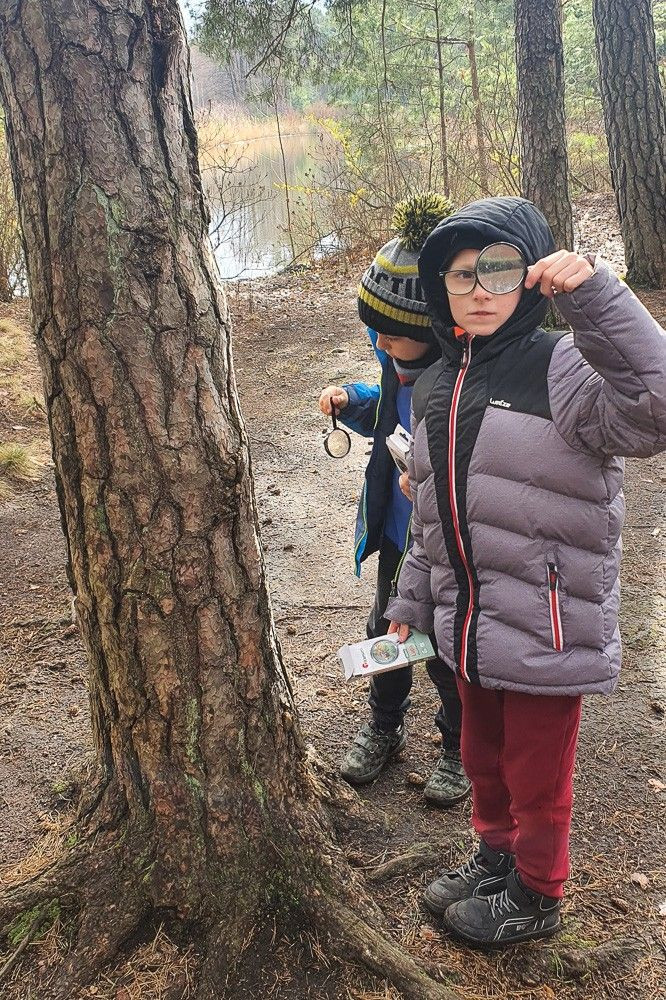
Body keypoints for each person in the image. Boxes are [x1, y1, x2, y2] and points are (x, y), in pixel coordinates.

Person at [386, 195, 666, 946]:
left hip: (546, 627)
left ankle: (538, 894)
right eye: (461, 275)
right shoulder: (436, 384)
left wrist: (596, 297)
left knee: (538, 776)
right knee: (482, 758)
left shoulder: (565, 367)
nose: (479, 291)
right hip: (470, 626)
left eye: (500, 271)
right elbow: (431, 514)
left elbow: (658, 403)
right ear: (439, 287)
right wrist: (411, 601)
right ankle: (496, 858)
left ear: (532, 278)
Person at [319, 194, 471, 806]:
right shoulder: (394, 363)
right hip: (396, 535)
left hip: (447, 545)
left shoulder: (461, 384)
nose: (378, 341)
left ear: (430, 329)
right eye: (374, 330)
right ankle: (385, 725)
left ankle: (458, 747)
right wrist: (353, 401)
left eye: (390, 333)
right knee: (386, 631)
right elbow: (387, 414)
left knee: (445, 650)